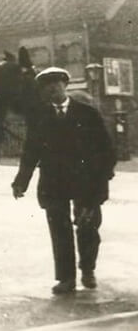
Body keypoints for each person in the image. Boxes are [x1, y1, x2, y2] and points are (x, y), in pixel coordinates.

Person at [12, 66, 116, 295]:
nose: (53, 90)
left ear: (65, 86)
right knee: (59, 231)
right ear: (43, 92)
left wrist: (101, 181)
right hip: (53, 182)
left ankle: (87, 268)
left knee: (88, 227)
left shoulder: (88, 114)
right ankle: (66, 278)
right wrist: (21, 180)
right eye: (47, 87)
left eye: (57, 85)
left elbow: (106, 151)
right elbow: (31, 151)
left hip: (86, 182)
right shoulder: (39, 117)